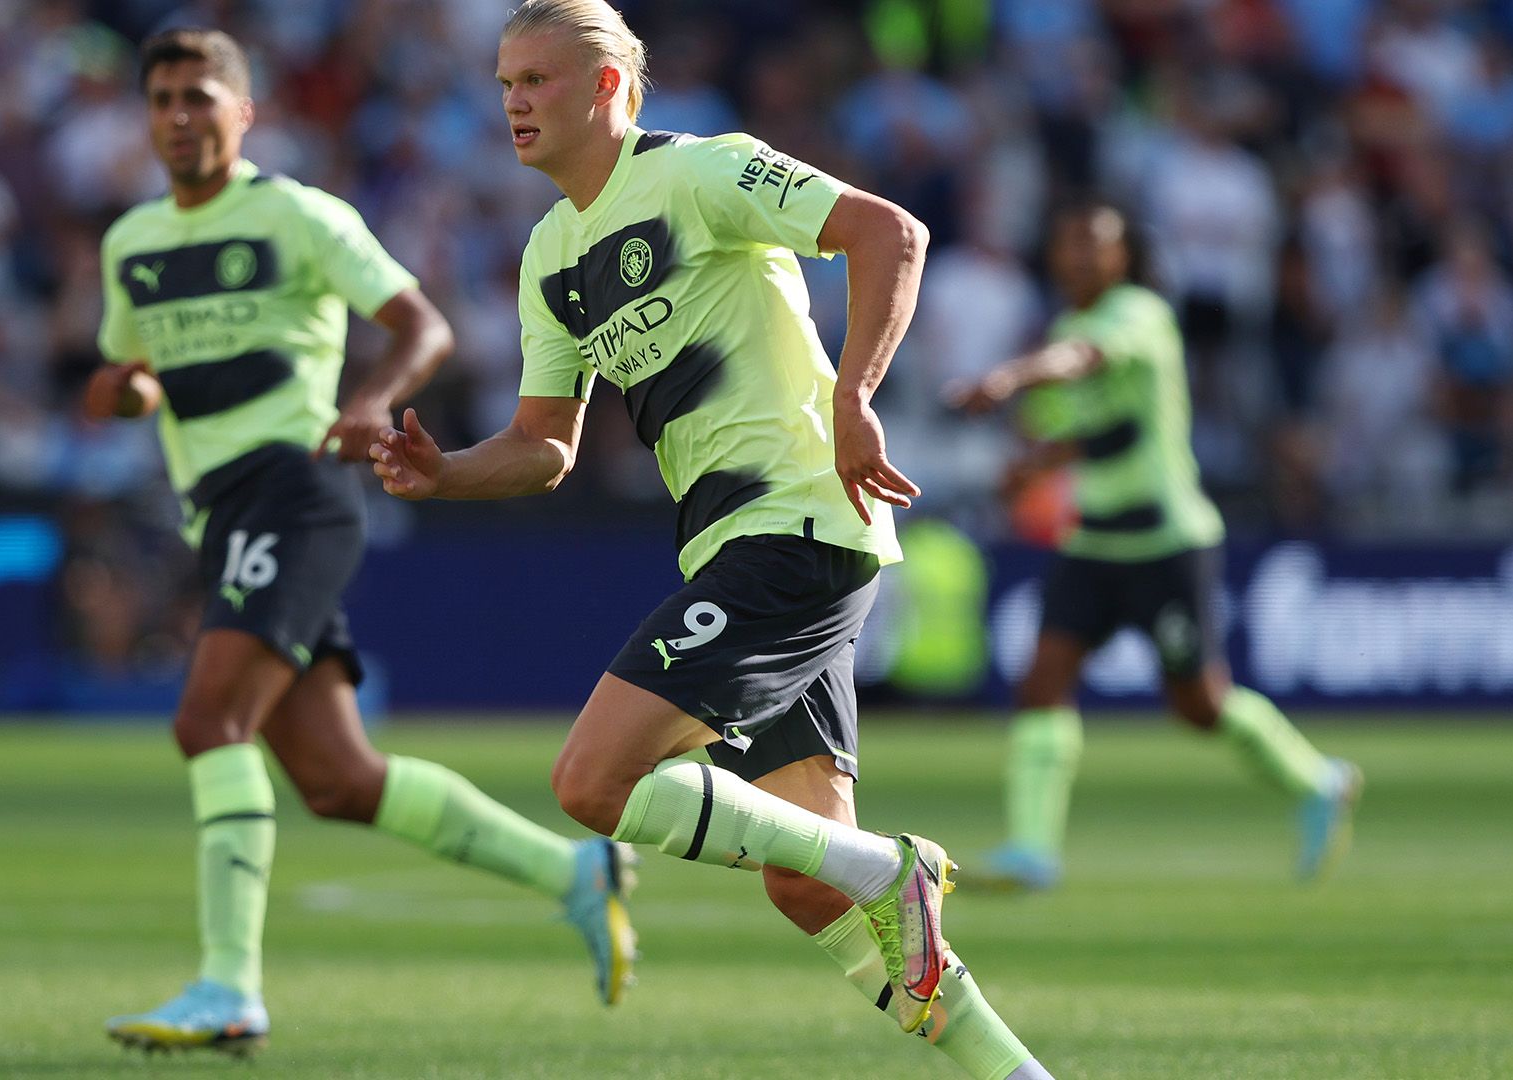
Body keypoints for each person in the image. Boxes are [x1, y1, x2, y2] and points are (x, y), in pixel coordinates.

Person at [372, 4, 1051, 1077]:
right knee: (804, 880)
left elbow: (890, 233)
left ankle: (890, 868)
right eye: (504, 81)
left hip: (799, 524)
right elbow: (546, 447)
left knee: (592, 783)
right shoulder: (551, 251)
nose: (511, 101)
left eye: (537, 81)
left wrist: (856, 399)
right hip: (736, 546)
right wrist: (446, 473)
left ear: (605, 88)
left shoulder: (702, 173)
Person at [85, 28, 635, 1057]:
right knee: (340, 781)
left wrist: (371, 400)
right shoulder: (132, 246)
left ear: (243, 113)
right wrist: (127, 391)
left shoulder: (294, 214)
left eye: (201, 96)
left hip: (294, 493)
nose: (179, 116)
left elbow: (422, 326)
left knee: (209, 722)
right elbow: (125, 373)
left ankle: (228, 989)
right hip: (219, 515)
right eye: (162, 99)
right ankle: (574, 873)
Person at [945, 202, 1363, 891]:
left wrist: (1009, 379)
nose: (1081, 257)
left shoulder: (1137, 313)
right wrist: (1037, 462)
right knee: (1042, 682)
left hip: (1166, 542)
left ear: (1122, 258)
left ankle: (1318, 781)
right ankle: (1032, 851)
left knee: (1199, 705)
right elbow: (1104, 432)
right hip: (1096, 541)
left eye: (1096, 245)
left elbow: (1082, 364)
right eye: (1070, 242)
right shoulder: (1070, 326)